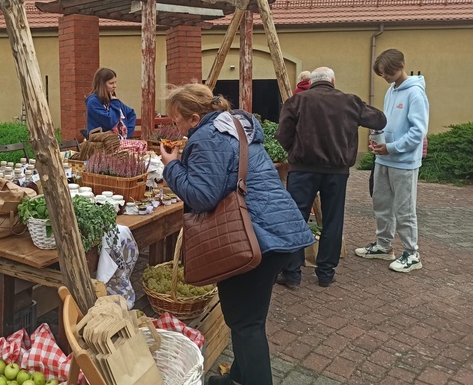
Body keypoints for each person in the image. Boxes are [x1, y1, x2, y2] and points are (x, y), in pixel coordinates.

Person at [160, 83, 314, 385]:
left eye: (176, 118)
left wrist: (172, 167)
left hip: (253, 237)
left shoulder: (206, 137)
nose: (174, 124)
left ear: (193, 118)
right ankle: (239, 377)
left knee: (246, 323)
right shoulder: (233, 125)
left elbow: (203, 196)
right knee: (246, 318)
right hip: (274, 230)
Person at [275, 67, 386, 288]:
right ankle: (325, 273)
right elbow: (379, 120)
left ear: (312, 82)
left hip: (302, 170)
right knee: (333, 221)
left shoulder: (297, 101)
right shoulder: (349, 101)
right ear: (333, 81)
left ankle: (292, 274)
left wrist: (296, 152)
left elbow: (283, 135)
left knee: (296, 219)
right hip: (337, 171)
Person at [356, 49, 429, 273]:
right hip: (384, 159)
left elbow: (418, 132)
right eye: (381, 74)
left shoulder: (415, 94)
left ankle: (411, 253)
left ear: (400, 66)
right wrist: (378, 138)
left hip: (404, 162)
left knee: (404, 209)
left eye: (387, 73)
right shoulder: (392, 90)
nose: (385, 77)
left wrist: (391, 147)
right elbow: (388, 122)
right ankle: (384, 246)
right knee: (381, 204)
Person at [85, 67, 136, 139]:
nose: (115, 86)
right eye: (111, 83)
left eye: (115, 82)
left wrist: (127, 132)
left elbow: (131, 113)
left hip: (119, 142)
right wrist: (114, 103)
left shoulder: (112, 100)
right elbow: (109, 122)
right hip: (102, 144)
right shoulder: (93, 102)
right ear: (102, 84)